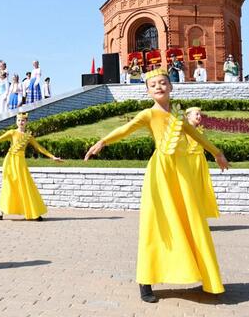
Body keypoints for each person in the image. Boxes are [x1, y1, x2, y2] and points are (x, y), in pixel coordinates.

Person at [84, 68, 230, 303]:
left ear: (171, 87)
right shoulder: (148, 115)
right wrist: (102, 141)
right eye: (154, 85)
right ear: (148, 91)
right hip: (160, 173)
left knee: (189, 220)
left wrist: (217, 153)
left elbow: (197, 136)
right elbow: (125, 129)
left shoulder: (179, 117)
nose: (159, 87)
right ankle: (145, 281)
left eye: (163, 83)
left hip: (181, 174)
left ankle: (205, 276)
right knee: (157, 223)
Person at [0, 112, 62, 221]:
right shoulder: (12, 132)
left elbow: (39, 147)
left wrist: (52, 157)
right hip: (10, 161)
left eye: (23, 120)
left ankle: (33, 212)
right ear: (16, 122)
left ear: (26, 122)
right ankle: (1, 209)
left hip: (21, 162)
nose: (21, 122)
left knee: (25, 185)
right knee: (10, 185)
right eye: (19, 120)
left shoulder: (28, 136)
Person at [184, 107, 219, 219]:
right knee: (188, 189)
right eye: (197, 114)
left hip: (200, 163)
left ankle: (198, 217)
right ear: (188, 116)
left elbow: (206, 144)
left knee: (200, 189)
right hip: (188, 162)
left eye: (200, 114)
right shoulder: (183, 130)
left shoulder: (200, 130)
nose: (199, 117)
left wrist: (215, 155)